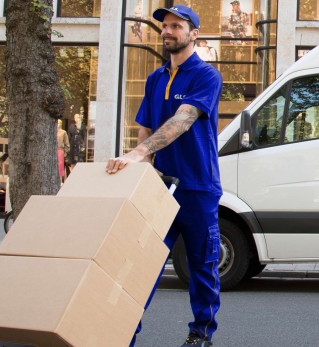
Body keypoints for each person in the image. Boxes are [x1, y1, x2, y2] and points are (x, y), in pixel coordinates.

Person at [106, 5, 223, 347]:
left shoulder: (206, 76)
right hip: (159, 188)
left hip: (198, 188)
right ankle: (124, 331)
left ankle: (201, 333)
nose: (168, 31)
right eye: (165, 26)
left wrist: (137, 154)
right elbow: (145, 127)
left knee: (203, 266)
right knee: (142, 266)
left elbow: (183, 120)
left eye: (176, 26)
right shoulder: (155, 78)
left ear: (193, 34)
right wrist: (140, 164)